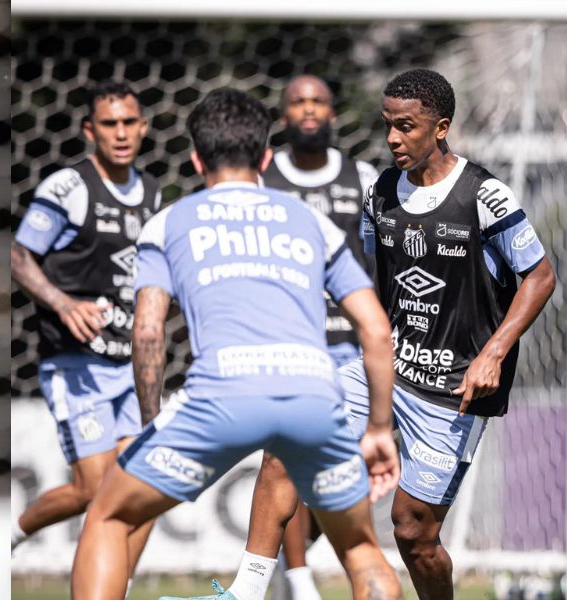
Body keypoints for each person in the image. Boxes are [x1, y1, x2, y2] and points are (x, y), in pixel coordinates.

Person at [222, 68, 556, 600]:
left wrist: (493, 352)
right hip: (389, 368)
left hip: (453, 390)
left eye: (407, 127)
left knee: (413, 531)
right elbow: (378, 285)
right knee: (288, 440)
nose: (393, 139)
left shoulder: (485, 195)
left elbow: (540, 277)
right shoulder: (382, 192)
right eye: (387, 126)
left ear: (440, 127)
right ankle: (244, 590)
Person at [69, 88, 402, 600]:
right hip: (314, 394)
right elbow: (377, 330)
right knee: (359, 550)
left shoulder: (169, 222)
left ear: (196, 157)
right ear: (266, 157)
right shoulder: (310, 222)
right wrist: (378, 426)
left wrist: (151, 420)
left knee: (109, 515)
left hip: (223, 393)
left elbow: (148, 331)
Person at [10, 81, 162, 584]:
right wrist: (61, 301)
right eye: (109, 124)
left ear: (143, 127)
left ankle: (112, 587)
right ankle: (11, 533)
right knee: (94, 490)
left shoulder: (155, 195)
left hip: (130, 366)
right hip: (78, 365)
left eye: (128, 122)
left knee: (143, 490)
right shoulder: (68, 187)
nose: (121, 133)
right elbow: (19, 255)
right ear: (90, 130)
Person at [259, 74, 380, 600]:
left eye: (318, 101)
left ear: (333, 112)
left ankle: (334, 573)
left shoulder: (367, 178)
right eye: (297, 102)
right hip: (285, 347)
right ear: (283, 115)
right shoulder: (262, 178)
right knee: (287, 464)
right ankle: (299, 581)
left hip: (352, 351)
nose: (308, 110)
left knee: (339, 475)